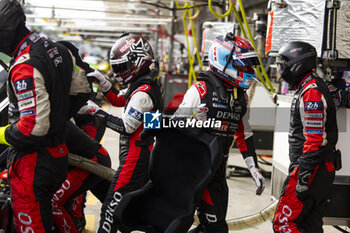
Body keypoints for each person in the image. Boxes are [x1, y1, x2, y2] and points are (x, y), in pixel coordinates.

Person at [0, 1, 111, 232]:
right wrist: (58, 117)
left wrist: (2, 134)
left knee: (30, 225)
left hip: (32, 162)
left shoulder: (24, 65)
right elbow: (82, 89)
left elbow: (33, 128)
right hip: (57, 152)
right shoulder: (56, 48)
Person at [174, 33, 265, 233]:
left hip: (217, 174)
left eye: (250, 67)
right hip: (191, 170)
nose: (249, 71)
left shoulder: (241, 98)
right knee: (178, 224)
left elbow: (244, 134)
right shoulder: (200, 91)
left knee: (215, 228)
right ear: (223, 61)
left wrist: (254, 168)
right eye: (243, 66)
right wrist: (191, 124)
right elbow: (171, 127)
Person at [78, 33, 163, 233]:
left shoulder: (143, 92)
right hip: (143, 152)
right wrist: (104, 83)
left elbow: (126, 127)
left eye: (120, 67)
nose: (118, 73)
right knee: (130, 211)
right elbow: (119, 100)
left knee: (111, 209)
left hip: (136, 157)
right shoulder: (145, 84)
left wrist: (96, 111)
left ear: (138, 60)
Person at [272, 41, 339, 233]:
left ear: (296, 64)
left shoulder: (311, 92)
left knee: (284, 224)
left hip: (311, 168)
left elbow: (315, 138)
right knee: (309, 224)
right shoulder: (309, 87)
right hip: (320, 168)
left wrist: (304, 174)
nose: (281, 70)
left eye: (283, 65)